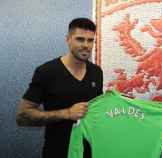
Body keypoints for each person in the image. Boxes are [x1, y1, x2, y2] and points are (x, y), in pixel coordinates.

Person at [16, 18, 103, 158]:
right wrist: (67, 113)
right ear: (68, 39)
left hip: (89, 152)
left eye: (90, 40)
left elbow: (95, 112)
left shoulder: (96, 72)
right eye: (80, 39)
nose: (86, 45)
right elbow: (22, 117)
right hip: (57, 152)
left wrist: (108, 102)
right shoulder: (46, 71)